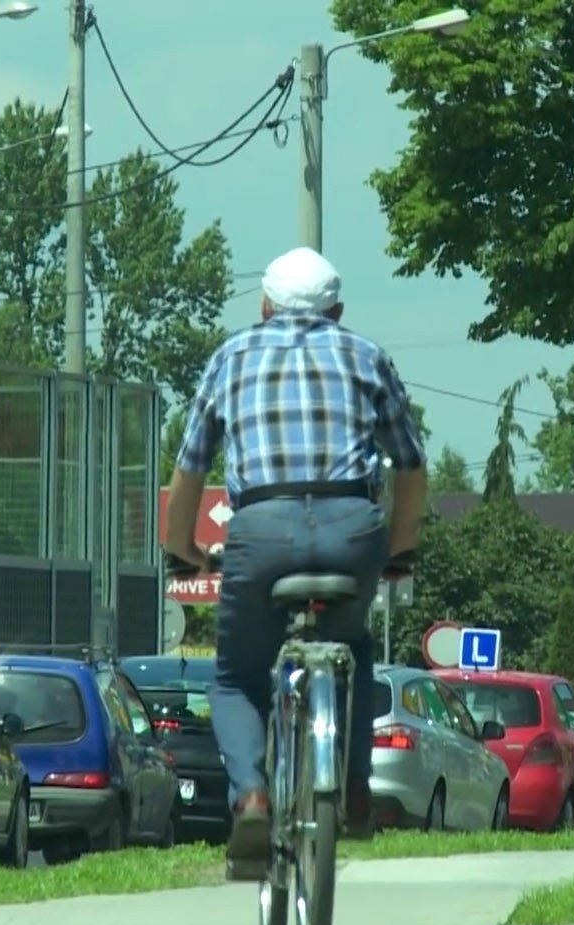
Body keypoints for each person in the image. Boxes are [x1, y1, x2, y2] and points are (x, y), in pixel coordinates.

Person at [163, 245, 427, 875]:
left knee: (235, 678)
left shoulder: (232, 355)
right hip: (352, 530)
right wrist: (400, 550)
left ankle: (252, 795)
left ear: (263, 306)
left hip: (260, 532)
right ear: (336, 311)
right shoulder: (366, 355)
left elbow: (190, 469)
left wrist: (182, 552)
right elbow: (411, 464)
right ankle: (356, 789)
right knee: (355, 651)